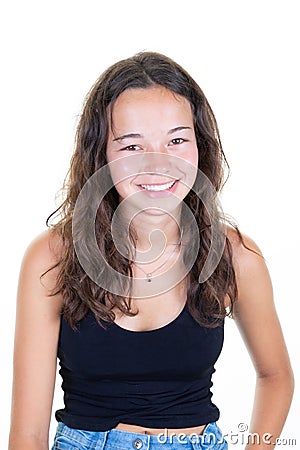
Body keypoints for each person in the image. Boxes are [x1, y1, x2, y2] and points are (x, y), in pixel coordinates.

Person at [9, 51, 294, 450]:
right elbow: (28, 435)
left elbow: (275, 375)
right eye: (131, 147)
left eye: (177, 140)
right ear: (101, 155)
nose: (158, 163)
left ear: (201, 147)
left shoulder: (236, 256)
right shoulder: (52, 258)